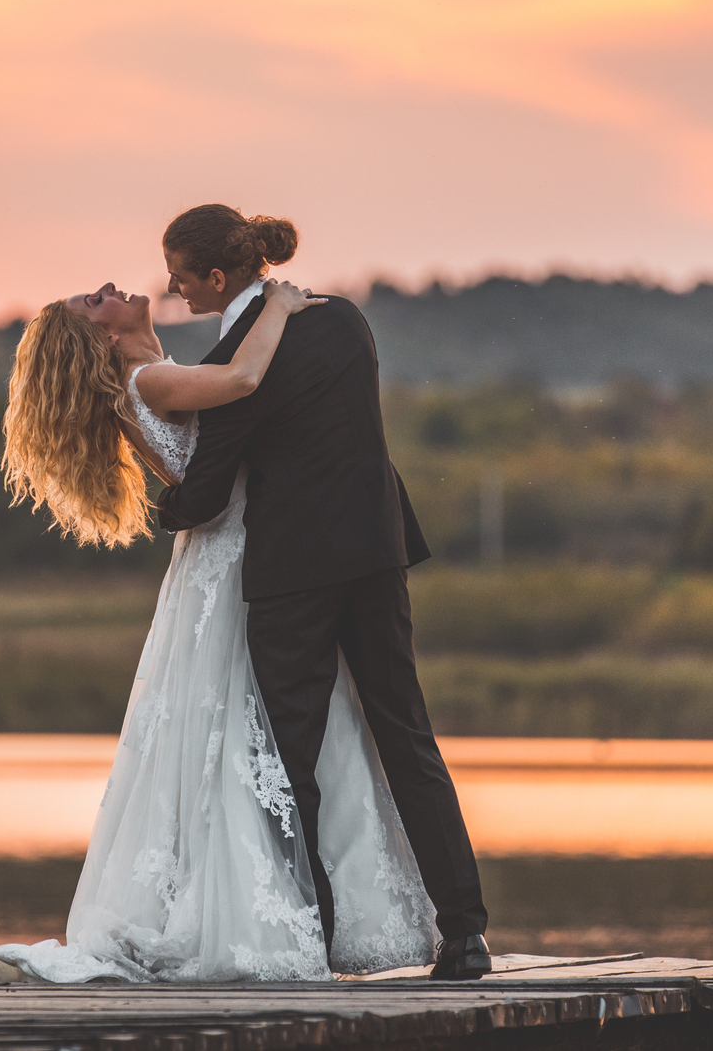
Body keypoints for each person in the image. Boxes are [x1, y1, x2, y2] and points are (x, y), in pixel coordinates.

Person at [0, 247, 438, 985]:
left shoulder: (153, 373)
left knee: (248, 740)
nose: (108, 289)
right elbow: (245, 381)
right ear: (99, 339)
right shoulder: (148, 378)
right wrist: (276, 306)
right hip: (249, 557)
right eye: (93, 302)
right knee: (245, 741)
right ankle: (251, 915)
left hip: (248, 554)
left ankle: (279, 908)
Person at [155, 205, 489, 981]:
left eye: (178, 271)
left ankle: (313, 934)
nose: (169, 285)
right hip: (376, 551)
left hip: (293, 576)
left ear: (216, 276)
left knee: (287, 757)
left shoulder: (237, 356)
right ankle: (466, 931)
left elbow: (203, 497)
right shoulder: (344, 320)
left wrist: (152, 509)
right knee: (406, 736)